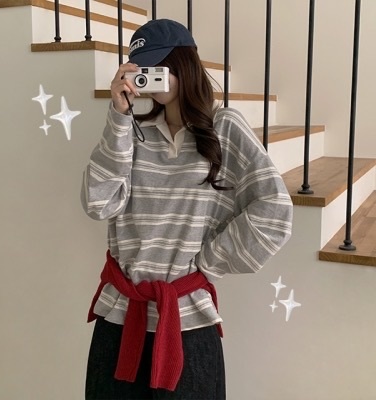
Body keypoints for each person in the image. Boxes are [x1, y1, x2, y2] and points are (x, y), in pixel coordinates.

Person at [81, 18, 293, 400]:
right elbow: (98, 202)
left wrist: (208, 263)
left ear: (184, 63)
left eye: (159, 64)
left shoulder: (224, 127)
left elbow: (274, 209)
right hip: (119, 317)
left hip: (187, 322)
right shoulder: (132, 131)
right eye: (142, 67)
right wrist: (118, 116)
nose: (151, 74)